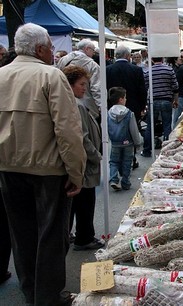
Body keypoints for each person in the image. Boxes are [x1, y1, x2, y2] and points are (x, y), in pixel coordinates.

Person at [0, 23, 86, 306]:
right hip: (48, 170)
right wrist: (76, 173)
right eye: (50, 47)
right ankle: (47, 297)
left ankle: (30, 291)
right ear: (39, 49)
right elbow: (68, 131)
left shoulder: (1, 75)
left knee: (21, 233)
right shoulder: (51, 76)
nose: (52, 52)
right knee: (50, 234)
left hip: (8, 169)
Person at [62, 65, 104, 251]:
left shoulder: (74, 102)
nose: (84, 88)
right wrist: (96, 155)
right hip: (84, 163)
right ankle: (84, 237)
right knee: (85, 202)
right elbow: (82, 137)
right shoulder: (76, 105)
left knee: (76, 203)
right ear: (70, 85)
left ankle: (71, 235)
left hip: (81, 162)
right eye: (81, 84)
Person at [106, 45, 147, 170]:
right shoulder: (136, 70)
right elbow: (142, 90)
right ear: (127, 56)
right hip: (132, 106)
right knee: (132, 133)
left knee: (116, 133)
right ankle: (131, 158)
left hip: (113, 108)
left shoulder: (108, 69)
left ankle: (116, 161)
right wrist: (142, 106)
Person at [57, 39, 101, 121]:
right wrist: (101, 107)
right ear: (87, 49)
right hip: (87, 107)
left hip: (66, 103)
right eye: (93, 50)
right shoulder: (93, 65)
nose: (93, 53)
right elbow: (97, 88)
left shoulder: (63, 60)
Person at [142, 57, 179, 157]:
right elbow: (175, 87)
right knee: (167, 125)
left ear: (152, 60)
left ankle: (146, 150)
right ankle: (167, 150)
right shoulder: (169, 70)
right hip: (167, 100)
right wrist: (176, 100)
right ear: (162, 59)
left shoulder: (147, 71)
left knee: (150, 127)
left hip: (153, 101)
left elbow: (145, 87)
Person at [107, 87, 142, 191]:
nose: (126, 100)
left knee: (113, 161)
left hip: (115, 142)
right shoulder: (129, 113)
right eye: (125, 97)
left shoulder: (109, 113)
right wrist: (137, 142)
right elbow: (134, 129)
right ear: (121, 99)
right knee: (127, 162)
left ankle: (113, 179)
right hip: (128, 142)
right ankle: (125, 182)